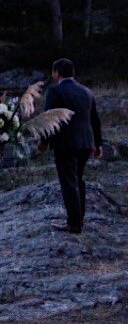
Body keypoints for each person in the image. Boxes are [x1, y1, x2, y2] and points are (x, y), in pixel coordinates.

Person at [42, 58, 104, 234]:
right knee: (78, 180)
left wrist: (43, 142)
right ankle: (79, 219)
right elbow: (95, 119)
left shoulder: (55, 91)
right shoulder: (86, 91)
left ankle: (74, 223)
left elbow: (49, 119)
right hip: (86, 142)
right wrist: (98, 143)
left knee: (69, 182)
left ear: (57, 73)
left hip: (65, 143)